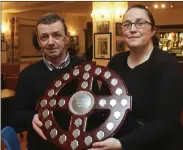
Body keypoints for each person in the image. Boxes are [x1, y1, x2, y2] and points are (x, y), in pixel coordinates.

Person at [88, 5, 183, 150]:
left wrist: (122, 144)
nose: (133, 29)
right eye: (127, 24)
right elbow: (103, 104)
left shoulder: (167, 65)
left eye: (140, 23)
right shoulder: (116, 61)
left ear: (153, 31)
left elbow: (167, 121)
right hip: (117, 140)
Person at [9, 13, 87, 150]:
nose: (50, 42)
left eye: (56, 35)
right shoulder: (28, 74)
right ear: (39, 42)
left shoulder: (85, 68)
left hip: (81, 144)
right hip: (42, 145)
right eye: (44, 37)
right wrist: (31, 118)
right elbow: (17, 114)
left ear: (66, 38)